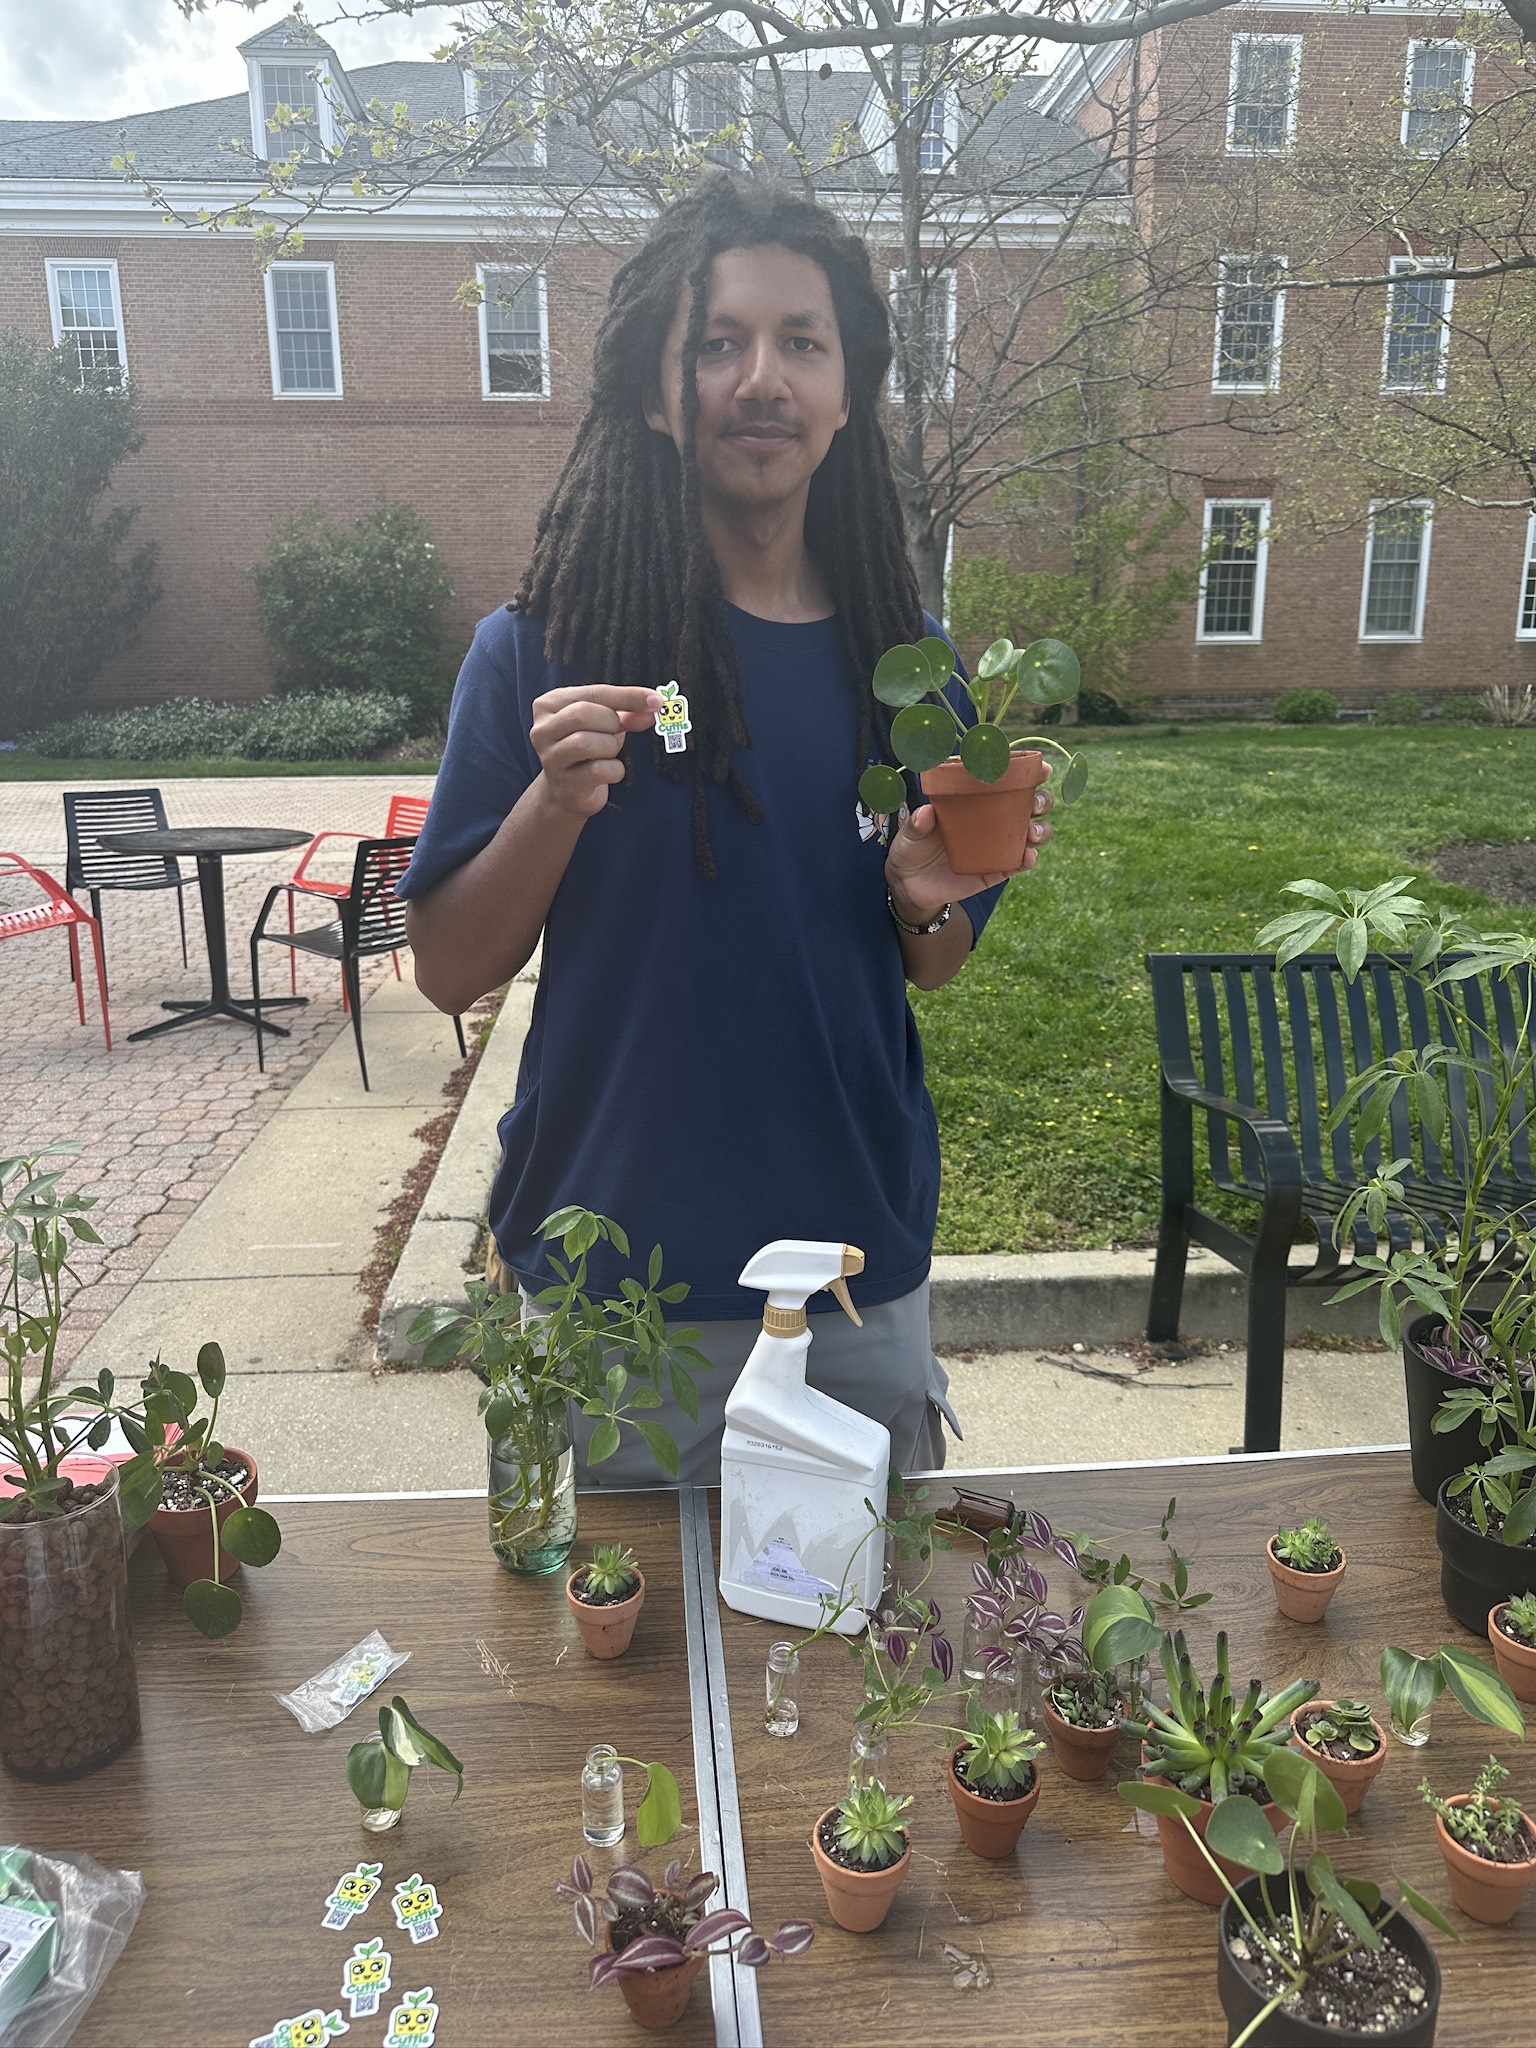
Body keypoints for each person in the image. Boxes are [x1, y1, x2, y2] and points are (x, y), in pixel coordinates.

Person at [401, 174, 1053, 1484]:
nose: (764, 378)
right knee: (601, 1684)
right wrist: (554, 802)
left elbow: (933, 956)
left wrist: (926, 894)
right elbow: (447, 969)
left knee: (871, 1670)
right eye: (720, 343)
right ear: (657, 392)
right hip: (610, 1288)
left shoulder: (907, 667)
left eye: (801, 342)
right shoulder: (535, 649)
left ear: (847, 391)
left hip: (852, 1277)